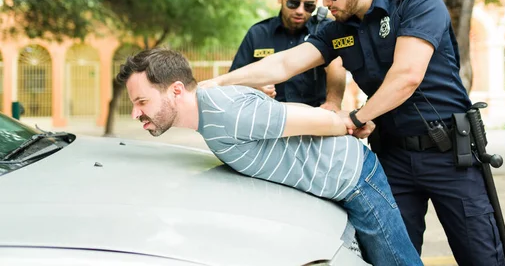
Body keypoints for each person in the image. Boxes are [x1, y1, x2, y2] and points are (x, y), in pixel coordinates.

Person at [200, 0, 505, 265]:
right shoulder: (339, 29)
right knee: (391, 259)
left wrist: (356, 117)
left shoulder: (416, 1)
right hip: (393, 157)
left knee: (482, 257)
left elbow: (407, 76)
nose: (323, 2)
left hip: (448, 155)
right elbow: (284, 63)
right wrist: (214, 83)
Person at [117, 48, 423, 266]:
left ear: (176, 90)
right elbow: (286, 116)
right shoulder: (209, 113)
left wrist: (350, 121)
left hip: (355, 181)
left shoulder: (226, 113)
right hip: (330, 193)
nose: (135, 112)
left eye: (142, 101)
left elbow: (313, 120)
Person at [230, 0, 346, 110]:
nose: (300, 11)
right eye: (293, 3)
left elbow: (337, 65)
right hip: (268, 119)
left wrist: (333, 103)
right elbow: (233, 81)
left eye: (309, 6)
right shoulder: (258, 33)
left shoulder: (325, 30)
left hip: (313, 119)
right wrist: (253, 87)